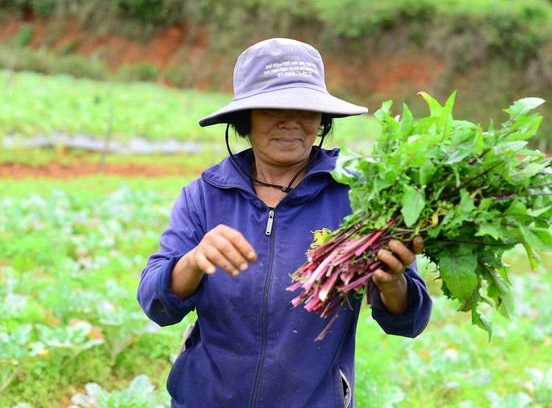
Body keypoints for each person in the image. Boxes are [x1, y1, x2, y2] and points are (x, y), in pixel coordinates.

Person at [137, 37, 432, 408]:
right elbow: (156, 304)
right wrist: (194, 261)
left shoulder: (359, 197)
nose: (291, 122)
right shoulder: (205, 196)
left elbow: (410, 322)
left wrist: (393, 284)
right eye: (273, 108)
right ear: (245, 119)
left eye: (306, 109)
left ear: (322, 119)